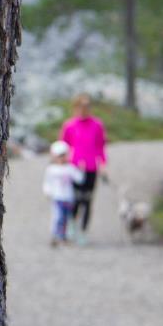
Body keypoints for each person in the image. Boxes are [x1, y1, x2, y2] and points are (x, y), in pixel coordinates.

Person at [59, 93, 107, 244]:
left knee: (88, 200)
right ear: (76, 107)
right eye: (81, 106)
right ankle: (71, 226)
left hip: (91, 167)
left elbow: (100, 146)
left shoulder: (97, 125)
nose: (83, 110)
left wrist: (103, 164)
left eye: (86, 106)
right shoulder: (70, 125)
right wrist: (62, 163)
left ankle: (84, 231)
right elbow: (63, 146)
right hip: (74, 167)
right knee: (75, 199)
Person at [42, 140, 84, 247]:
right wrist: (47, 191)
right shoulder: (51, 169)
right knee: (57, 217)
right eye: (59, 156)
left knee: (67, 218)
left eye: (63, 155)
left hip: (68, 198)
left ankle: (63, 236)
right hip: (57, 197)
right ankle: (55, 236)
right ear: (54, 156)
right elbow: (47, 182)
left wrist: (81, 170)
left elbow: (79, 179)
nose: (62, 158)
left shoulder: (70, 168)